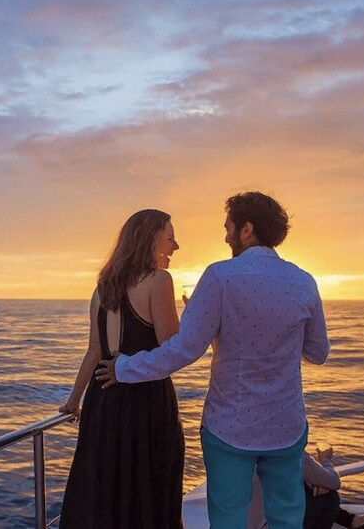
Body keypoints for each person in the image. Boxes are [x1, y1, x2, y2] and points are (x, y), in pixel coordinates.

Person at [97, 191, 331, 529]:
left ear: (247, 230)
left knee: (227, 520)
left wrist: (123, 368)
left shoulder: (220, 277)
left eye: (228, 228)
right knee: (286, 518)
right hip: (286, 426)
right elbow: (318, 353)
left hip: (230, 427)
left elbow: (183, 350)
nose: (226, 236)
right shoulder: (304, 281)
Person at [58, 209, 185, 529]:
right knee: (148, 489)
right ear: (150, 240)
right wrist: (194, 313)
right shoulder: (159, 281)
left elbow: (94, 351)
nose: (175, 246)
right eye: (170, 238)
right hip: (145, 401)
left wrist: (73, 402)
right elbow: (172, 347)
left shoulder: (103, 288)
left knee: (105, 490)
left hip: (101, 401)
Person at [301, 444, 364, 529]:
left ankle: (351, 520)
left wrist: (316, 481)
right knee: (329, 496)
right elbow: (334, 482)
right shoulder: (295, 452)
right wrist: (325, 460)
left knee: (316, 489)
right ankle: (351, 521)